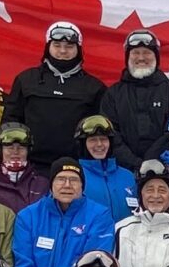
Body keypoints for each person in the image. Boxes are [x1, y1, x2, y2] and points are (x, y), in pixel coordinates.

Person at [11, 160, 117, 267]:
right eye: (61, 179)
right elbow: (24, 266)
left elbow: (94, 263)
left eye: (74, 180)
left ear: (82, 186)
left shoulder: (99, 215)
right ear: (51, 185)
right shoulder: (28, 216)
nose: (67, 185)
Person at [7, 21, 107, 168]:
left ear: (78, 49)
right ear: (48, 47)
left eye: (69, 47)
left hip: (77, 167)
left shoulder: (94, 87)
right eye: (57, 45)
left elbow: (102, 131)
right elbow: (11, 122)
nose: (62, 51)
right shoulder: (26, 80)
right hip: (32, 167)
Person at [97, 27, 169, 166]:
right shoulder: (113, 94)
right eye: (135, 53)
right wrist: (135, 163)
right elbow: (110, 134)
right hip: (122, 170)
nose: (141, 58)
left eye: (146, 53)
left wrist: (150, 161)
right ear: (127, 57)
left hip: (165, 168)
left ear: (156, 57)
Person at [71, 115, 139, 219]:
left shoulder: (128, 176)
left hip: (126, 234)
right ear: (82, 144)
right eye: (93, 140)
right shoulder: (74, 176)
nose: (99, 144)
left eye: (103, 139)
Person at [0, 122, 51, 212]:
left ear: (28, 151)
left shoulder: (42, 183)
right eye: (10, 148)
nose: (15, 152)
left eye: (21, 148)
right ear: (0, 151)